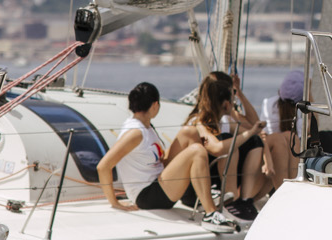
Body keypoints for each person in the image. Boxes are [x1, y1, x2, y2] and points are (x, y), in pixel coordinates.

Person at [98, 81, 216, 213]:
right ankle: (211, 212)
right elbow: (103, 166)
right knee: (197, 151)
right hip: (147, 195)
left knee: (189, 132)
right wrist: (115, 203)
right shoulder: (135, 133)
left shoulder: (146, 127)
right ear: (155, 105)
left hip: (158, 181)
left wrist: (187, 151)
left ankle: (193, 196)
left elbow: (157, 158)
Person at [187, 70, 268, 217]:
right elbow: (217, 148)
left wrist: (240, 94)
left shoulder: (225, 120)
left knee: (253, 142)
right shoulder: (199, 122)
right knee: (229, 143)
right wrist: (249, 133)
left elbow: (255, 129)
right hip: (199, 186)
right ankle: (232, 200)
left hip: (219, 177)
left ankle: (244, 200)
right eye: (232, 98)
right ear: (225, 103)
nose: (233, 102)